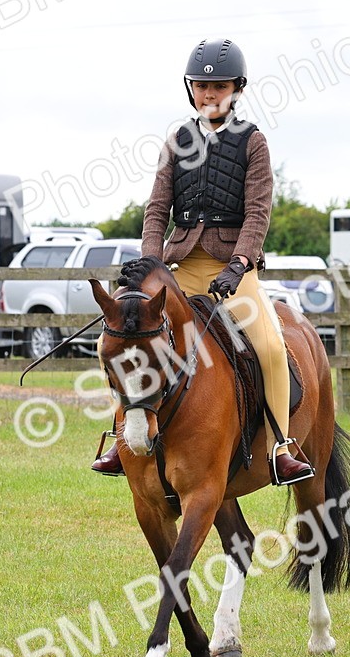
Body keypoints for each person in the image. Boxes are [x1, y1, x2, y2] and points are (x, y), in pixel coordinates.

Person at [92, 37, 315, 486]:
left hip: (234, 271)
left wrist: (240, 262)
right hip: (179, 268)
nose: (209, 94)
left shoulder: (253, 142)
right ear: (190, 89)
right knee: (127, 339)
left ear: (237, 89)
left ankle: (280, 446)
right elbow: (157, 210)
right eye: (201, 86)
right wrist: (150, 264)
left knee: (270, 347)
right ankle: (123, 435)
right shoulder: (177, 140)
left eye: (219, 87)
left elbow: (258, 212)